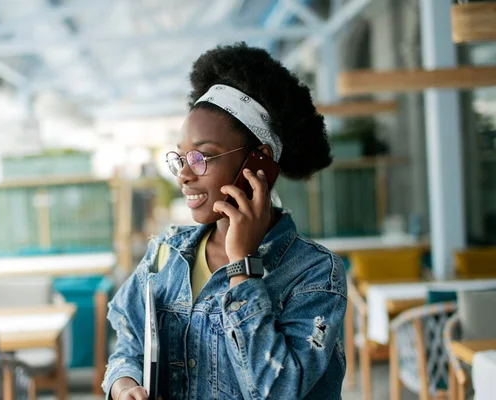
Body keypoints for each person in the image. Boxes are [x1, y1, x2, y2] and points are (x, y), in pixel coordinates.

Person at [103, 42, 347, 400]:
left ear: (258, 162)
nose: (184, 174)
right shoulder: (166, 253)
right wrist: (124, 385)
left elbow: (279, 390)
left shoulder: (314, 272)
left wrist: (243, 269)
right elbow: (128, 339)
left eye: (203, 157)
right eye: (182, 157)